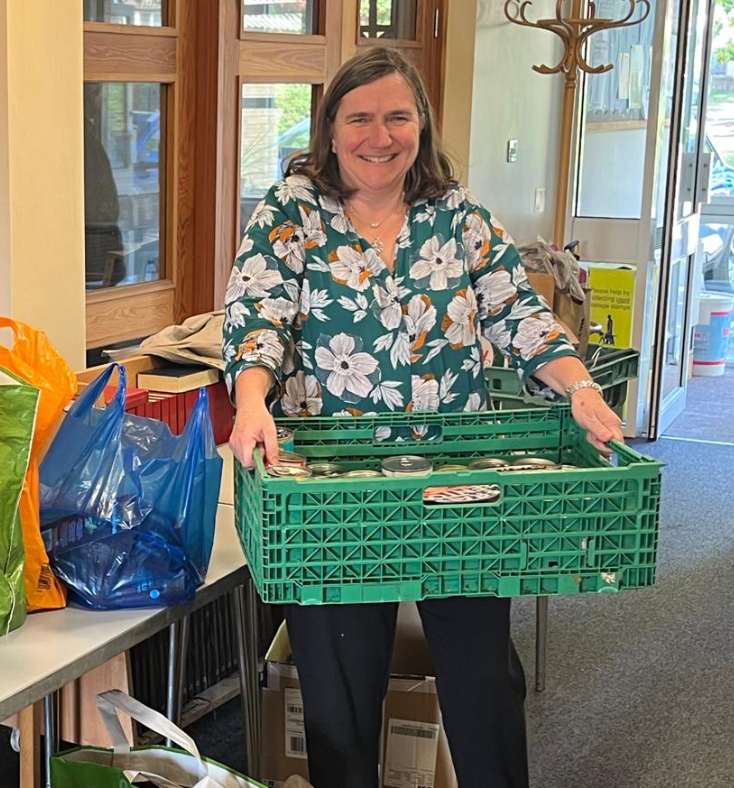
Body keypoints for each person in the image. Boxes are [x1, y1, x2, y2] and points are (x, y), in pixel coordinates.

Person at [222, 47, 623, 788]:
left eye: (398, 116)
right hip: (333, 487)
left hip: (452, 481)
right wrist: (250, 400)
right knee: (341, 696)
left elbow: (520, 314)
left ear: (422, 125)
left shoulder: (459, 215)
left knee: (482, 682)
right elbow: (257, 320)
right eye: (361, 117)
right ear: (331, 127)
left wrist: (577, 387)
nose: (380, 136)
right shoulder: (291, 212)